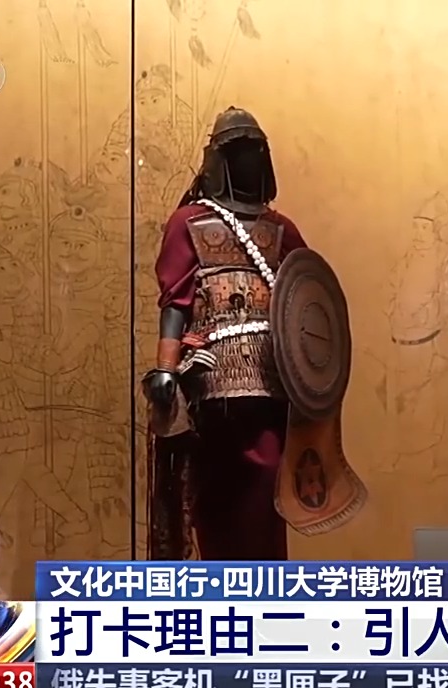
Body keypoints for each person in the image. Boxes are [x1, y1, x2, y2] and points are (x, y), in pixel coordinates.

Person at [144, 106, 307, 561]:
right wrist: (166, 367)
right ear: (218, 159)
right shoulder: (188, 222)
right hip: (210, 379)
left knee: (266, 494)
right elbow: (175, 302)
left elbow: (307, 303)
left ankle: (266, 589)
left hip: (271, 381)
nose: (248, 159)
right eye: (238, 151)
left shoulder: (281, 230)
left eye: (254, 150)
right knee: (214, 497)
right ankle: (218, 589)